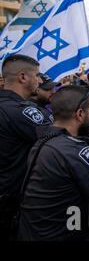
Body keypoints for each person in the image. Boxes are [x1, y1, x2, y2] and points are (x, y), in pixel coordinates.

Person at [17, 85, 89, 241]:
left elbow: (78, 151)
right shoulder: (73, 151)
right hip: (61, 234)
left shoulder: (46, 140)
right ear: (80, 114)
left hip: (36, 230)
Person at [0, 55, 52, 240]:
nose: (39, 80)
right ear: (23, 77)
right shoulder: (19, 111)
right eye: (37, 75)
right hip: (11, 204)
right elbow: (56, 138)